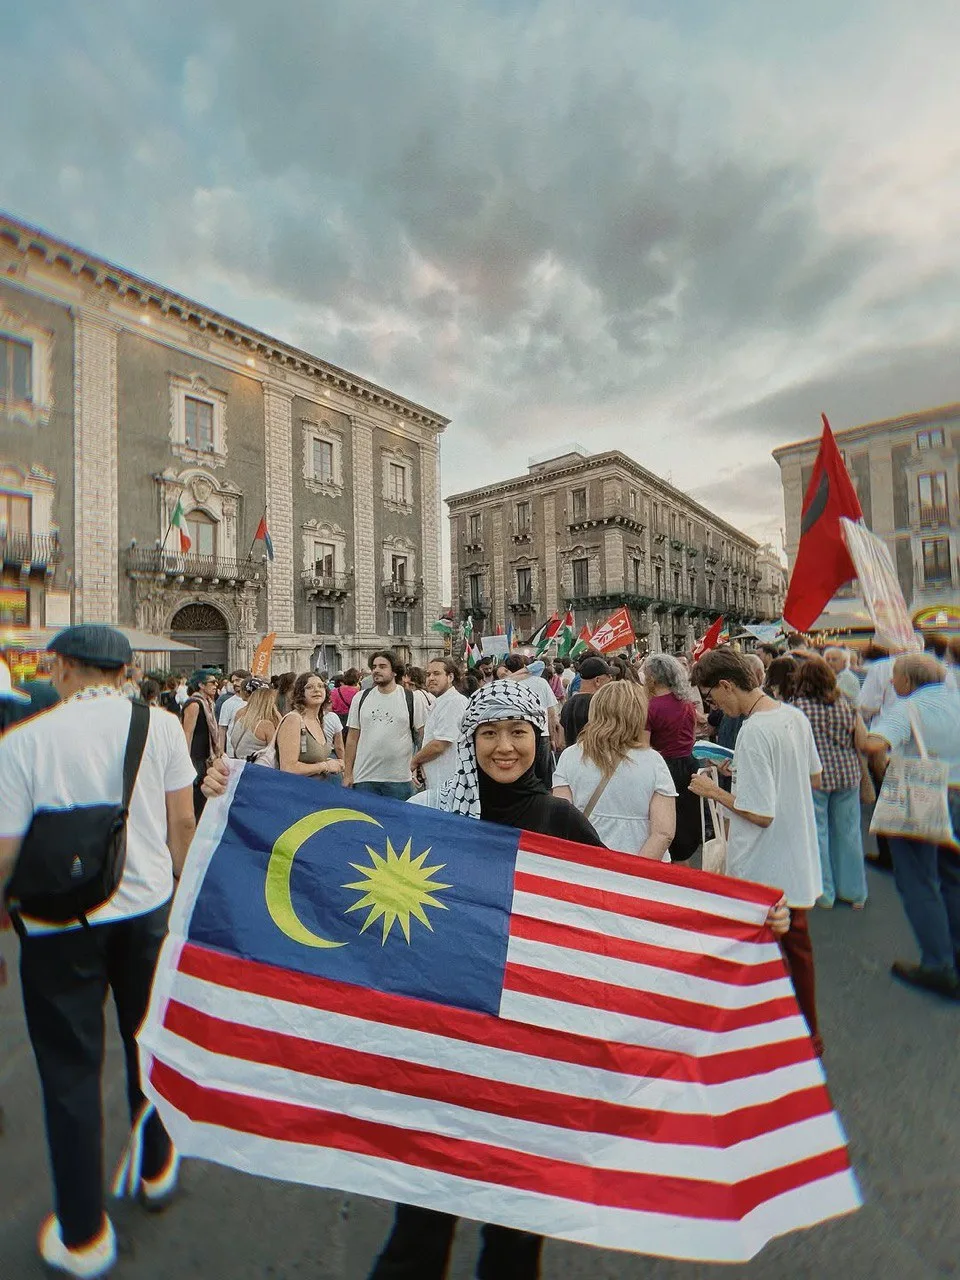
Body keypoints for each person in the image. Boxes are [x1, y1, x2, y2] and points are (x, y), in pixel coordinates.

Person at [0, 624, 196, 1278]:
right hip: (146, 912)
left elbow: (3, 851)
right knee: (151, 1040)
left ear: (61, 667)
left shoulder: (23, 741)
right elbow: (181, 826)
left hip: (57, 928)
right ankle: (158, 1163)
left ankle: (83, 1234)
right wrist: (184, 904)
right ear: (123, 669)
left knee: (69, 1071)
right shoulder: (161, 727)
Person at [689, 648, 825, 1055]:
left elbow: (760, 814)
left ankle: (793, 1038)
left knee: (769, 953)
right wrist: (744, 772)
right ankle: (804, 1035)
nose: (716, 706)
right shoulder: (792, 716)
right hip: (796, 852)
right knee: (795, 951)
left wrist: (715, 790)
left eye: (714, 698)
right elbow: (813, 778)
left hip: (765, 860)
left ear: (728, 685)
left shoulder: (753, 730)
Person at [866, 653, 960, 998]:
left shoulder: (906, 709)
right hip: (958, 794)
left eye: (895, 677)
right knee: (952, 876)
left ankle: (938, 964)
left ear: (909, 680)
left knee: (918, 880)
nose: (891, 683)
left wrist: (858, 728)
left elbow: (874, 743)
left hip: (921, 792)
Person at [553, 680, 677, 858]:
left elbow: (561, 820)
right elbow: (663, 833)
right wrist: (633, 873)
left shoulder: (570, 756)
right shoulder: (653, 762)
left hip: (587, 865)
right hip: (641, 870)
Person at [792, 657, 869, 910]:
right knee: (849, 833)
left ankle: (825, 893)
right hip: (847, 772)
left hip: (815, 776)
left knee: (819, 834)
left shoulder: (798, 708)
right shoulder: (846, 702)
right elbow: (861, 741)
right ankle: (855, 891)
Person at [642, 653, 701, 859]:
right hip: (688, 763)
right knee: (686, 819)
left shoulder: (651, 707)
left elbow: (644, 745)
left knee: (663, 819)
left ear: (653, 678)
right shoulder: (686, 703)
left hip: (663, 765)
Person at [343, 651, 425, 799]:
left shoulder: (411, 698)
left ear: (394, 671)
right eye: (374, 666)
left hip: (399, 780)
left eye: (382, 666)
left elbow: (422, 735)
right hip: (364, 778)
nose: (376, 670)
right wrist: (348, 774)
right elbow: (352, 739)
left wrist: (418, 765)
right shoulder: (360, 698)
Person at [410, 658, 468, 792]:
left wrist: (414, 761)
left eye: (436, 674)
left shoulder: (454, 701)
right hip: (438, 780)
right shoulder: (440, 702)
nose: (431, 678)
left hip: (448, 783)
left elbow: (440, 744)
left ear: (450, 677)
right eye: (428, 674)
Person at [277, 674, 345, 780]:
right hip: (299, 792)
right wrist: (326, 766)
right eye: (309, 687)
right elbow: (288, 768)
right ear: (300, 693)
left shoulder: (318, 719)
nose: (316, 690)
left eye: (320, 686)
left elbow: (313, 758)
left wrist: (333, 762)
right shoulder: (293, 720)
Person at [182, 670, 220, 819]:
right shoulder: (195, 704)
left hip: (205, 758)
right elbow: (187, 733)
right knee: (198, 798)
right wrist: (186, 760)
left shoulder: (208, 704)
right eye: (212, 682)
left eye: (216, 682)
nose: (216, 685)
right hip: (196, 758)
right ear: (201, 685)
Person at [559, 655, 610, 748]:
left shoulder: (567, 705)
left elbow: (561, 740)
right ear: (597, 680)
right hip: (597, 757)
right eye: (608, 678)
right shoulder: (600, 705)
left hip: (572, 758)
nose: (610, 681)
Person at [228, 680, 281, 762]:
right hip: (259, 768)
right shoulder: (265, 725)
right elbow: (278, 749)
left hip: (240, 763)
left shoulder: (241, 717)